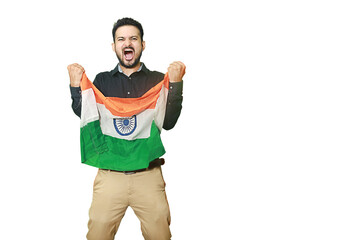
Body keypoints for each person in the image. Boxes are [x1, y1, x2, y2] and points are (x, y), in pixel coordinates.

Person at [68, 17, 185, 240]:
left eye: (133, 38)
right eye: (121, 39)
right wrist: (75, 86)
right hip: (110, 175)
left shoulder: (158, 80)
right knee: (97, 235)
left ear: (142, 44)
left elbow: (168, 123)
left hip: (148, 175)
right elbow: (86, 115)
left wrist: (176, 84)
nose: (127, 43)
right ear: (114, 46)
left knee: (160, 235)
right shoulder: (101, 81)